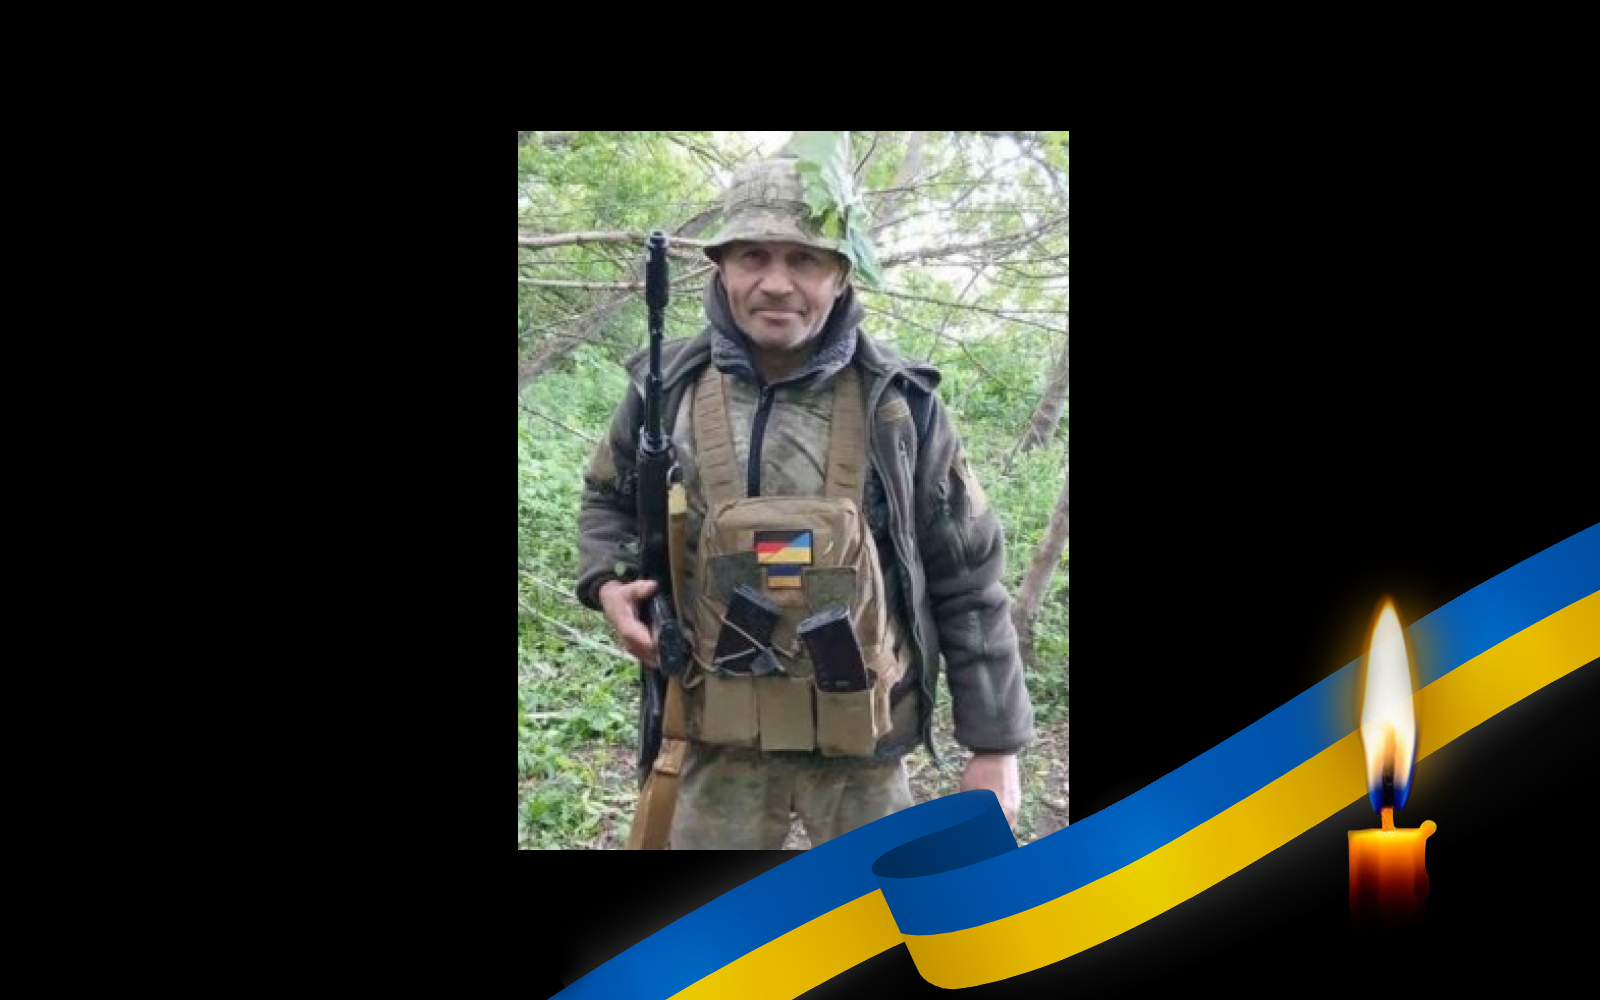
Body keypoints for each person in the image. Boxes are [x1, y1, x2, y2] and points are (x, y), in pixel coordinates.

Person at [576, 154, 1034, 849]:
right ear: (720, 267)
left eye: (805, 259)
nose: (776, 282)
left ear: (842, 272)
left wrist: (995, 747)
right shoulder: (665, 390)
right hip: (712, 743)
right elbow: (607, 500)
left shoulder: (901, 408)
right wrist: (609, 583)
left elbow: (968, 581)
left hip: (862, 755)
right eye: (753, 255)